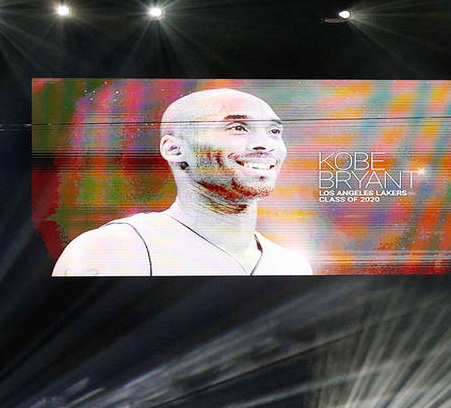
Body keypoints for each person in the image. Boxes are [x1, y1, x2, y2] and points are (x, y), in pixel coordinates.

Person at [53, 87, 312, 276]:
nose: (265, 144)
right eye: (237, 128)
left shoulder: (292, 265)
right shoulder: (115, 249)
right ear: (175, 149)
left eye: (274, 131)